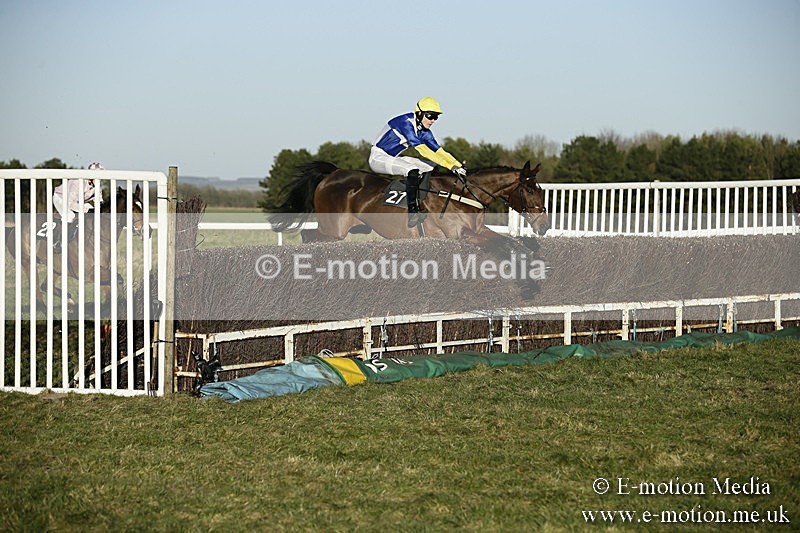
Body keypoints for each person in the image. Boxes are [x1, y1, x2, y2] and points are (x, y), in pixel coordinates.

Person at [369, 97, 466, 227]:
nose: (432, 121)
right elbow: (423, 150)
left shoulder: (424, 131)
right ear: (419, 113)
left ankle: (428, 200)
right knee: (412, 170)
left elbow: (439, 151)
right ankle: (412, 211)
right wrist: (450, 166)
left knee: (432, 167)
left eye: (436, 117)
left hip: (393, 157)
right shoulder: (406, 122)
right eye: (430, 116)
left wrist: (458, 165)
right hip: (378, 157)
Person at [52, 162, 104, 252]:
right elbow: (70, 204)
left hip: (76, 201)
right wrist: (87, 210)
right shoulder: (78, 181)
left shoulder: (97, 185)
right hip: (61, 198)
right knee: (70, 216)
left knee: (91, 209)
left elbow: (99, 201)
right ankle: (58, 242)